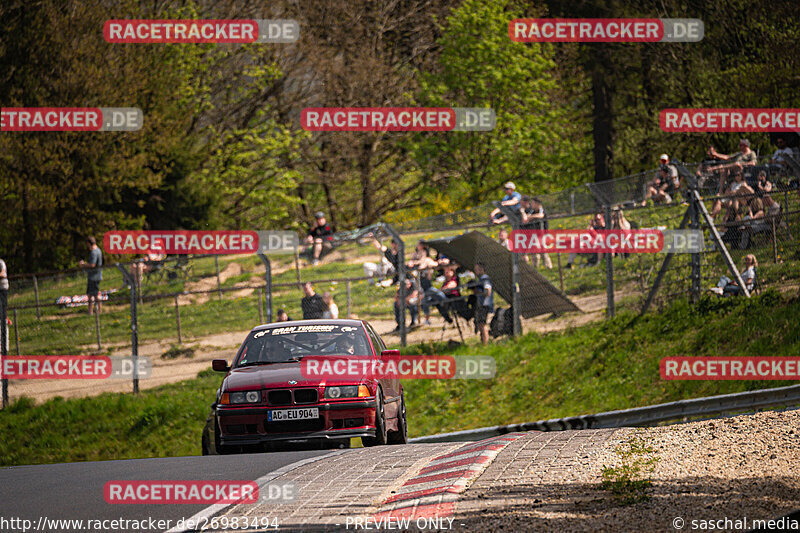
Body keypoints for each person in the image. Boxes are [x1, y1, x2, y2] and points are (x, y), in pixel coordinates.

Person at [520, 196, 552, 269]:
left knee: (543, 251)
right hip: (534, 234)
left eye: (533, 203)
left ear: (537, 204)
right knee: (534, 251)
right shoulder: (532, 211)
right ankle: (535, 267)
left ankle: (548, 266)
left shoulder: (541, 210)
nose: (531, 204)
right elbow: (525, 218)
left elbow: (541, 215)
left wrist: (530, 217)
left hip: (542, 234)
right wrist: (522, 212)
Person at [78, 236, 103, 315]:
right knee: (95, 294)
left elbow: (92, 264)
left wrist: (83, 265)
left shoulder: (94, 252)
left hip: (93, 277)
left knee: (92, 295)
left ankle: (92, 311)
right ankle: (96, 310)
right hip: (97, 275)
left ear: (88, 243)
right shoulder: (99, 250)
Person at [471, 263, 494, 345]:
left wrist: (479, 293)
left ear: (482, 269)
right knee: (480, 323)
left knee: (482, 323)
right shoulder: (480, 279)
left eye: (477, 269)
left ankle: (485, 342)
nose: (476, 271)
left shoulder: (485, 278)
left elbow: (488, 290)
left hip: (484, 304)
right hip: (481, 303)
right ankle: (483, 341)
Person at [0, 257, 8, 357]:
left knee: (2, 316)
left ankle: (4, 351)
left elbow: (2, 273)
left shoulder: (1, 262)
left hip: (2, 290)